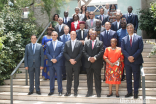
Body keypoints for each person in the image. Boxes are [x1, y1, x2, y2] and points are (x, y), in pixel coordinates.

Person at [121, 23, 143, 99]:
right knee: (128, 78)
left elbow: (140, 49)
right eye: (128, 28)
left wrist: (133, 57)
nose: (129, 29)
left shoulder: (139, 38)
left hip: (136, 61)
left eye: (131, 28)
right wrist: (128, 57)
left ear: (133, 29)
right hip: (127, 62)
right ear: (127, 29)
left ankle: (136, 93)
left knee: (136, 77)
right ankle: (129, 92)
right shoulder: (124, 39)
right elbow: (123, 49)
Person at [83, 30, 103, 97]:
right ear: (89, 35)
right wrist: (89, 58)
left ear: (96, 35)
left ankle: (98, 92)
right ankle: (89, 92)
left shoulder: (100, 43)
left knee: (97, 78)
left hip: (97, 63)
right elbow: (84, 51)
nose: (92, 35)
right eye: (91, 34)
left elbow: (101, 51)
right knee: (89, 79)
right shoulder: (86, 42)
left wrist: (94, 58)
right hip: (88, 64)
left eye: (94, 34)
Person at [64, 31, 83, 97]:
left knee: (76, 78)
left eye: (74, 34)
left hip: (76, 63)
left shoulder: (79, 43)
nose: (72, 35)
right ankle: (68, 91)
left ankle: (75, 91)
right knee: (69, 78)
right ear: (70, 35)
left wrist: (75, 60)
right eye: (71, 34)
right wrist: (70, 59)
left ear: (76, 35)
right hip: (68, 63)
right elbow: (65, 52)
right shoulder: (66, 43)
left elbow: (81, 53)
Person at [46, 31, 64, 96]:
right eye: (52, 35)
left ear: (57, 36)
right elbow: (47, 53)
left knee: (59, 77)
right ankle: (51, 90)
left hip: (58, 63)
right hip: (51, 63)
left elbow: (62, 52)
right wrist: (51, 59)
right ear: (51, 36)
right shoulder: (48, 44)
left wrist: (56, 59)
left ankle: (60, 91)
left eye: (54, 35)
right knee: (51, 77)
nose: (53, 36)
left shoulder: (61, 43)